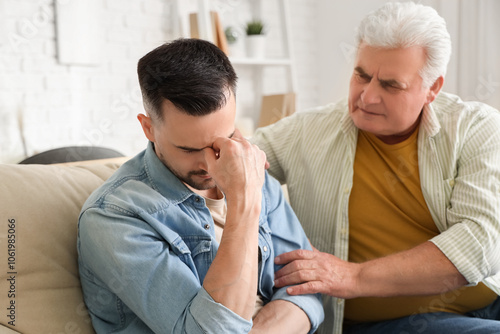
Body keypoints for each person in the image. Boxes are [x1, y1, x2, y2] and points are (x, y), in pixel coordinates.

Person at [252, 2, 500, 333]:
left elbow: (480, 243)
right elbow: (232, 164)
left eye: (390, 85)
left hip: (489, 301)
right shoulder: (305, 132)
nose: (367, 97)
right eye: (362, 75)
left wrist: (352, 276)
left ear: (433, 89)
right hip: (393, 323)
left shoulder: (476, 128)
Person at [77, 38, 324, 334]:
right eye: (190, 149)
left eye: (225, 137)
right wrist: (244, 202)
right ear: (149, 128)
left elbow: (307, 287)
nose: (211, 164)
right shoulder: (114, 217)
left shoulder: (250, 170)